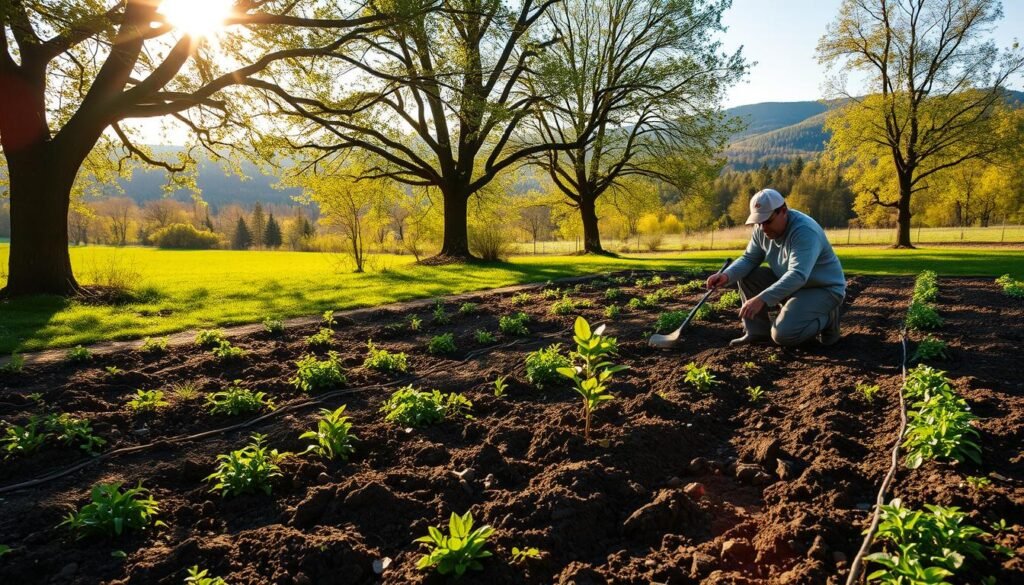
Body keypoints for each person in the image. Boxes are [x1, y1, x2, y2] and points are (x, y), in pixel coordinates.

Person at [706, 188, 846, 346]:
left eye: (767, 221)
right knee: (750, 275)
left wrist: (762, 298)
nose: (763, 228)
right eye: (759, 222)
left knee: (784, 335)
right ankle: (758, 333)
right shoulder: (761, 230)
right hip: (792, 284)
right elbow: (749, 259)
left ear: (783, 211)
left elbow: (798, 275)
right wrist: (726, 275)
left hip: (822, 289)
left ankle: (828, 319)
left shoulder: (804, 231)